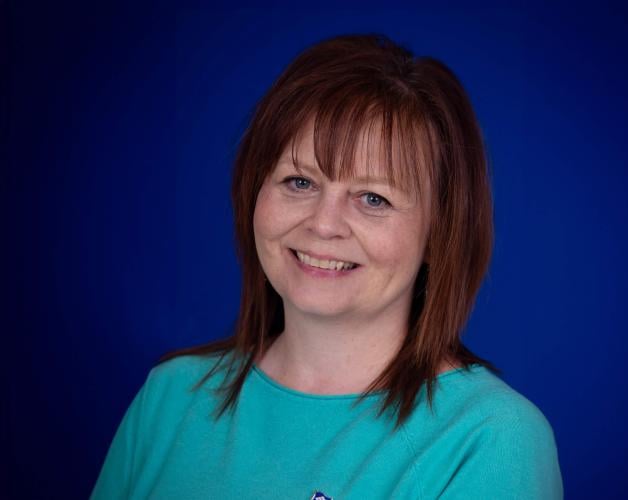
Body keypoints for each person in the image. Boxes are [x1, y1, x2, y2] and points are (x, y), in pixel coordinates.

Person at [91, 33, 563, 499]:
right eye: (299, 181)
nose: (323, 224)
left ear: (439, 236)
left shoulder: (491, 440)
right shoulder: (171, 398)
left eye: (373, 197)